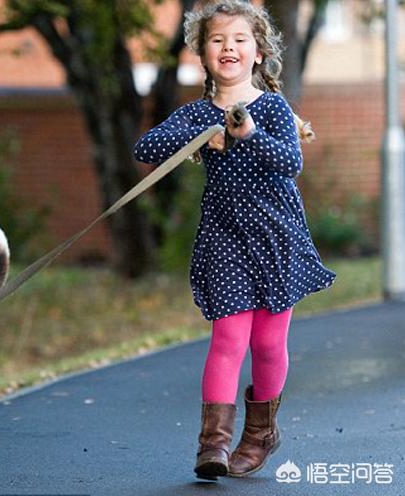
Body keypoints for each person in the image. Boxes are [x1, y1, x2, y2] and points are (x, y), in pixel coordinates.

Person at [133, 0, 336, 481]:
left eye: (240, 39)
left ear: (258, 52)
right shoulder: (198, 113)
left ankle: (260, 434)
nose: (229, 47)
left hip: (276, 236)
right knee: (228, 338)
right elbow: (145, 149)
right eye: (218, 40)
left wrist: (246, 134)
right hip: (224, 237)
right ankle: (214, 445)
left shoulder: (272, 107)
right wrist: (207, 133)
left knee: (267, 344)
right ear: (203, 55)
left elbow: (291, 162)